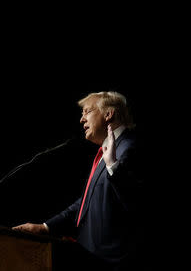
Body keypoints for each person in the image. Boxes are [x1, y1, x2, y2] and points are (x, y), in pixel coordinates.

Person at [13, 91, 142, 270]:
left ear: (108, 114)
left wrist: (113, 165)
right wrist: (45, 227)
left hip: (110, 262)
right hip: (87, 257)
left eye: (87, 112)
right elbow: (85, 204)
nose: (82, 120)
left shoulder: (130, 147)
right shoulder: (107, 151)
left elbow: (139, 202)